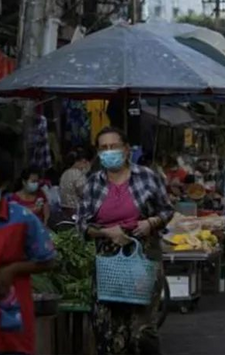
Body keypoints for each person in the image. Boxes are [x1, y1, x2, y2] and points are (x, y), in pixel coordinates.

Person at [77, 126, 174, 355]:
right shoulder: (92, 183)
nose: (109, 151)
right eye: (104, 148)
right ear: (98, 152)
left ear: (127, 150)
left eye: (114, 146)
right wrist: (105, 232)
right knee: (108, 328)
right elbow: (81, 224)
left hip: (143, 255)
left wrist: (151, 223)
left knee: (141, 330)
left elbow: (167, 210)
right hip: (108, 259)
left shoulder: (148, 177)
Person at [0, 146, 56, 355]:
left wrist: (14, 269)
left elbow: (48, 259)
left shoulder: (22, 219)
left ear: (3, 185)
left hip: (11, 317)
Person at [59, 148, 92, 217]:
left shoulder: (65, 173)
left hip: (65, 209)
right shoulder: (78, 173)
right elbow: (84, 193)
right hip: (76, 209)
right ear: (84, 161)